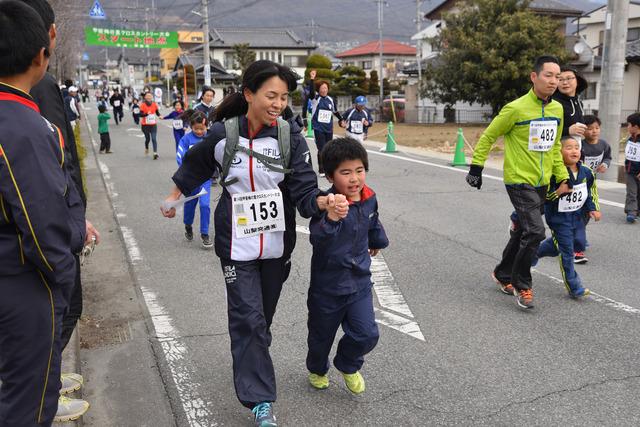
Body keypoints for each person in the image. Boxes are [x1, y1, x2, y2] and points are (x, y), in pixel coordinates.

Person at [162, 60, 348, 427]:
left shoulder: (289, 136)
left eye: (283, 97)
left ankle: (254, 353)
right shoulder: (222, 133)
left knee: (261, 319)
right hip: (235, 241)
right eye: (271, 96)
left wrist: (324, 202)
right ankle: (260, 400)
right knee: (247, 318)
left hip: (277, 244)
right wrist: (173, 196)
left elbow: (305, 189)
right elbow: (196, 166)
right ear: (249, 94)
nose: (278, 103)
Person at [0, 2, 88, 425]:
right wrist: (64, 273)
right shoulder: (22, 125)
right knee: (27, 405)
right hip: (20, 280)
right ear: (41, 55)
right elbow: (42, 229)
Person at [25, 0, 98, 420]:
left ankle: (47, 380)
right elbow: (61, 162)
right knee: (64, 306)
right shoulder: (42, 87)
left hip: (43, 223)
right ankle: (44, 389)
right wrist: (76, 218)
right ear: (49, 36)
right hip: (52, 224)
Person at [465, 55, 570, 310]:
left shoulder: (557, 110)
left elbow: (555, 146)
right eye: (548, 75)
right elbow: (490, 135)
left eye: (558, 76)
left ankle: (502, 273)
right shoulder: (516, 108)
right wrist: (476, 167)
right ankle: (522, 285)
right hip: (518, 180)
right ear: (534, 77)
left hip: (542, 181)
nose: (554, 81)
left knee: (524, 229)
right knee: (535, 231)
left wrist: (562, 175)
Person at [306, 137, 388, 395]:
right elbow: (317, 239)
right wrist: (330, 218)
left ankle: (347, 364)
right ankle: (317, 369)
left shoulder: (369, 198)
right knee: (320, 338)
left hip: (359, 282)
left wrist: (376, 240)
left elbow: (373, 221)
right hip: (327, 287)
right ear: (330, 177)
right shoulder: (327, 203)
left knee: (367, 334)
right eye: (345, 173)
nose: (354, 179)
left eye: (359, 170)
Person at [532, 136, 601, 297]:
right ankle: (574, 287)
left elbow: (591, 192)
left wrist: (594, 208)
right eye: (569, 148)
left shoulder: (586, 172)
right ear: (559, 152)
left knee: (576, 243)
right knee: (567, 252)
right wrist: (558, 192)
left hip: (579, 217)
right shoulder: (554, 173)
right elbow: (544, 198)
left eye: (576, 147)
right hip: (559, 219)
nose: (574, 151)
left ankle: (533, 253)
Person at [175, 110, 212, 248]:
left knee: (205, 205)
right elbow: (179, 156)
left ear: (206, 126)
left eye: (201, 128)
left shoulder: (209, 138)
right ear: (191, 126)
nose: (199, 131)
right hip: (190, 180)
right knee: (190, 206)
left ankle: (205, 234)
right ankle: (188, 225)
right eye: (196, 128)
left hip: (205, 179)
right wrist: (186, 170)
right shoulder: (186, 139)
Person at [307, 71, 343, 176]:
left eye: (326, 88)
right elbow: (311, 93)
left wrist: (341, 120)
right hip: (318, 128)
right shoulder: (315, 99)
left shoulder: (330, 99)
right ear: (319, 89)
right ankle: (321, 169)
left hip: (329, 128)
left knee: (329, 149)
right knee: (321, 149)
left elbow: (335, 112)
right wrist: (312, 79)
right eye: (322, 88)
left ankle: (328, 168)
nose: (324, 90)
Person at [552, 66, 588, 144]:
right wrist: (567, 131)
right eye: (560, 79)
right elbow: (545, 129)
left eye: (569, 78)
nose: (564, 83)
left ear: (577, 81)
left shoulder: (579, 102)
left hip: (576, 149)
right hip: (558, 151)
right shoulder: (553, 103)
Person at [624, 112, 640, 223]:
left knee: (638, 192)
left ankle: (636, 210)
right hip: (630, 171)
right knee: (631, 192)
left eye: (629, 124)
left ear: (635, 127)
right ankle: (631, 212)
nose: (627, 127)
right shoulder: (630, 139)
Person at [139, 91, 160, 159]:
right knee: (147, 139)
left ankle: (155, 153)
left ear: (152, 97)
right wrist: (146, 114)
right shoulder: (143, 105)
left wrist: (160, 115)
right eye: (147, 96)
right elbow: (140, 114)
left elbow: (157, 112)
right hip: (145, 125)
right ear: (145, 97)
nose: (148, 97)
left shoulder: (154, 104)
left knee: (154, 139)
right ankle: (146, 147)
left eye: (150, 96)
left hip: (153, 125)